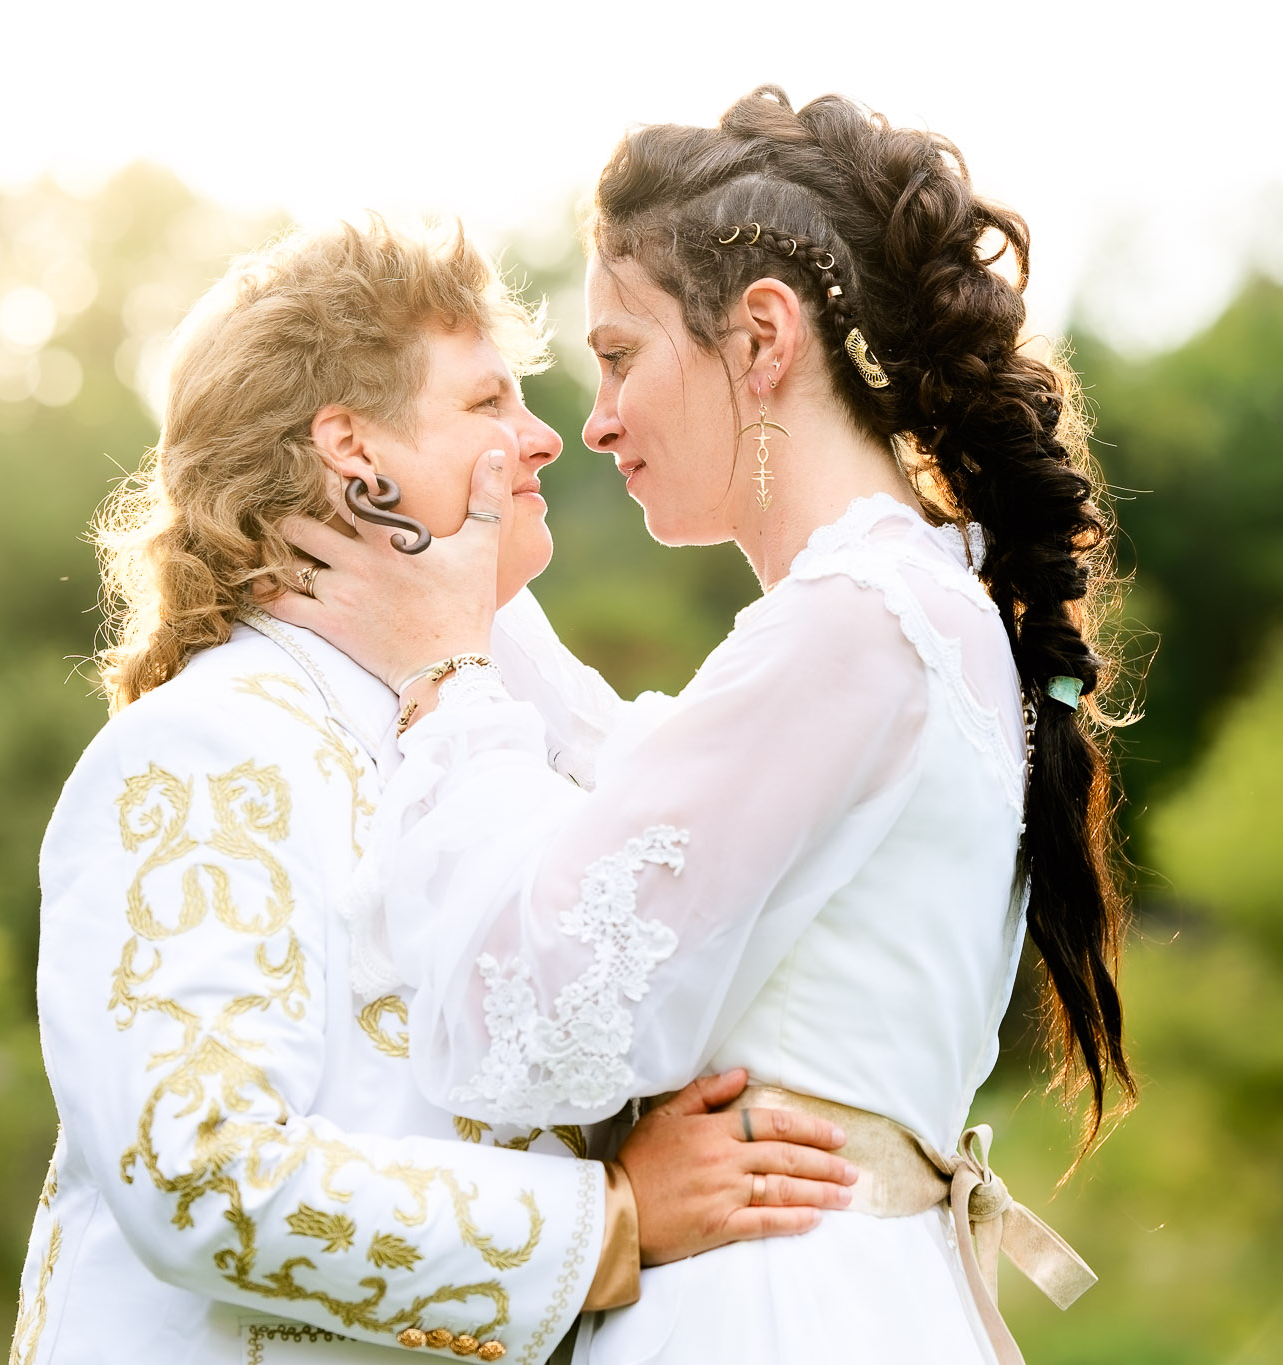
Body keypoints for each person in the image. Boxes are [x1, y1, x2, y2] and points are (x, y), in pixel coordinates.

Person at [268, 88, 1132, 1365]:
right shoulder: (899, 611)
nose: (595, 416)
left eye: (618, 355)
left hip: (777, 1309)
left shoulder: (856, 623)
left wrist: (449, 686)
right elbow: (635, 782)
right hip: (841, 1287)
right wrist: (444, 574)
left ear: (761, 339)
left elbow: (526, 1027)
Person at [7, 218, 855, 1365]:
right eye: (487, 404)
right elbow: (198, 1169)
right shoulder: (202, 751)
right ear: (353, 453)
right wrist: (607, 1219)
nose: (544, 438)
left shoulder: (502, 741)